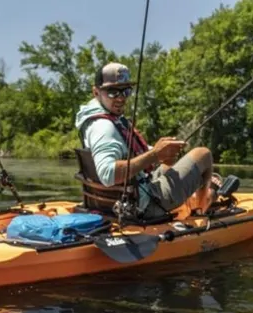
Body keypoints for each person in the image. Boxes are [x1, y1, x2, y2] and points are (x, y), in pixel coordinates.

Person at [75, 62, 220, 220]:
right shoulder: (104, 127)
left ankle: (198, 195)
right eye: (112, 92)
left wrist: (160, 152)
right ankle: (202, 209)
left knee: (168, 164)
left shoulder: (94, 118)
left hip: (120, 198)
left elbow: (123, 150)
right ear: (96, 92)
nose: (121, 98)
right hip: (141, 206)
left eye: (126, 91)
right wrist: (154, 155)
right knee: (203, 155)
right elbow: (108, 175)